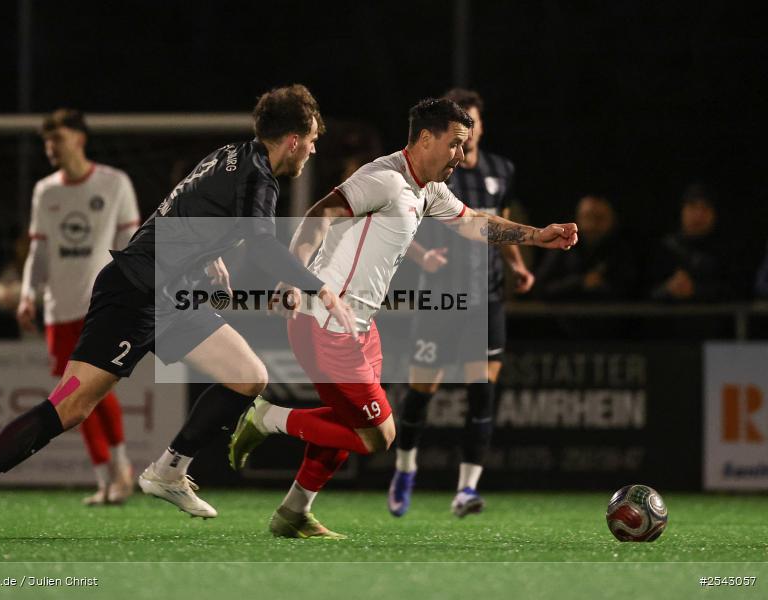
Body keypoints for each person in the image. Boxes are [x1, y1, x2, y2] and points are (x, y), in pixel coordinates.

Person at [0, 84, 358, 543]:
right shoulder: (257, 176)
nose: (314, 148)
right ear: (292, 139)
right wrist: (319, 286)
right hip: (135, 292)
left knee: (248, 375)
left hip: (170, 294)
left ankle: (168, 471)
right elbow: (261, 243)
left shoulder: (232, 155)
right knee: (72, 405)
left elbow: (185, 207)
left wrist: (206, 256)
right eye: (311, 139)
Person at [228, 97, 577, 538]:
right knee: (377, 436)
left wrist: (537, 236)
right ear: (425, 138)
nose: (460, 155)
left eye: (465, 145)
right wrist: (294, 276)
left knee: (350, 423)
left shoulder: (427, 187)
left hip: (361, 325)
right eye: (453, 144)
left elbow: (472, 222)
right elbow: (321, 214)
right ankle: (268, 418)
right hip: (325, 324)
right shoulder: (385, 179)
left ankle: (293, 512)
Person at [388, 89, 536, 519]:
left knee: (482, 393)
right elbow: (401, 224)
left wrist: (518, 265)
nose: (465, 136)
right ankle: (404, 470)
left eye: (471, 125)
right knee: (422, 391)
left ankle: (466, 491)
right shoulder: (435, 173)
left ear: (481, 128)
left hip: (486, 298)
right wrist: (421, 257)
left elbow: (498, 225)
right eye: (458, 128)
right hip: (440, 299)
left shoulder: (499, 170)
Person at [15, 109, 141, 505]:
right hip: (58, 309)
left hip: (100, 306)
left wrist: (133, 290)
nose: (51, 147)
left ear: (80, 139)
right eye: (47, 141)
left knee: (96, 391)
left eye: (59, 138)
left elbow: (132, 241)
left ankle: (121, 470)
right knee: (70, 396)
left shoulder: (114, 182)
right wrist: (26, 294)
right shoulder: (45, 191)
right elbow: (39, 248)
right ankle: (105, 479)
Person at [533, 194, 638, 301]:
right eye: (587, 217)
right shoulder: (562, 246)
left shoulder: (622, 250)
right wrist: (581, 282)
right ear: (577, 218)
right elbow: (540, 288)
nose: (592, 224)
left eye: (599, 218)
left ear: (613, 220)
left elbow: (634, 290)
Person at [647, 184, 729, 302]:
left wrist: (696, 290)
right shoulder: (666, 248)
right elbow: (646, 291)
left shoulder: (725, 250)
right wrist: (667, 289)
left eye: (705, 208)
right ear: (682, 210)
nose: (698, 215)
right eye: (692, 207)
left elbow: (736, 290)